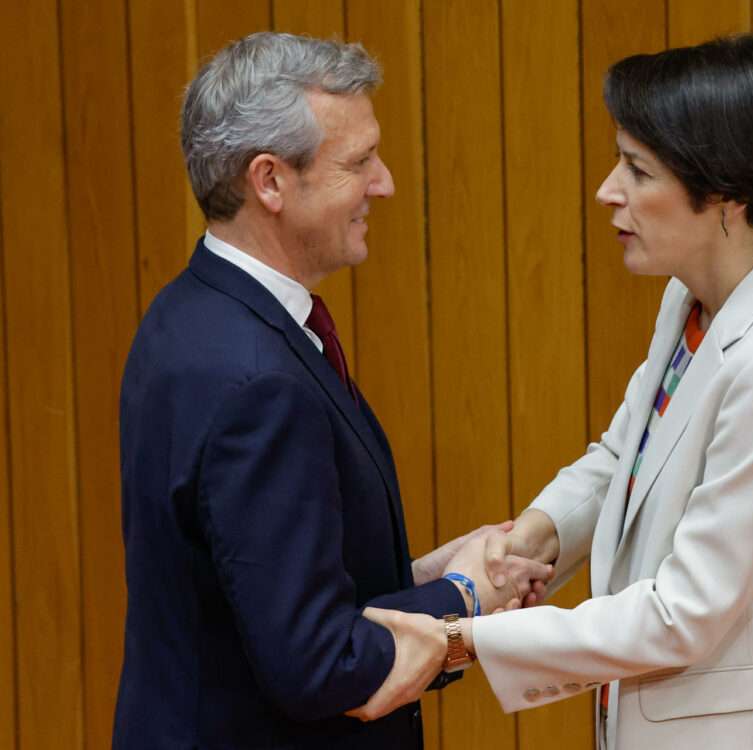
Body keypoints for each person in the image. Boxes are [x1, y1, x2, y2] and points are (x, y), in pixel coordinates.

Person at [349, 34, 753, 750]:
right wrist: (530, 540)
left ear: (724, 190)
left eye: (637, 169)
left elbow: (684, 612)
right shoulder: (688, 302)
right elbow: (623, 457)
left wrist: (459, 640)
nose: (608, 189)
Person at [113, 32, 550, 750]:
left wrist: (427, 573)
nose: (384, 183)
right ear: (270, 181)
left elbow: (261, 584)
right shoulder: (255, 379)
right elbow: (318, 664)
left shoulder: (189, 312)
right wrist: (464, 598)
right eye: (358, 162)